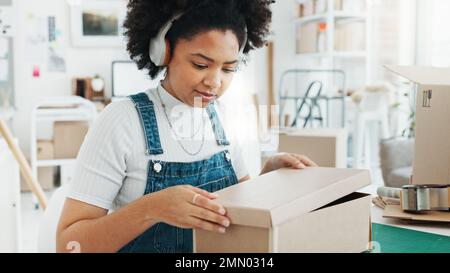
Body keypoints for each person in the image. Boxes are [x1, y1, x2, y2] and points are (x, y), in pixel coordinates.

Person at [56, 0, 317, 253]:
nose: (215, 82)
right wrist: (152, 208)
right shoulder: (121, 122)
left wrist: (267, 178)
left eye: (228, 69)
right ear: (164, 51)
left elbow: (240, 216)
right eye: (201, 65)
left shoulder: (226, 119)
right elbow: (68, 246)